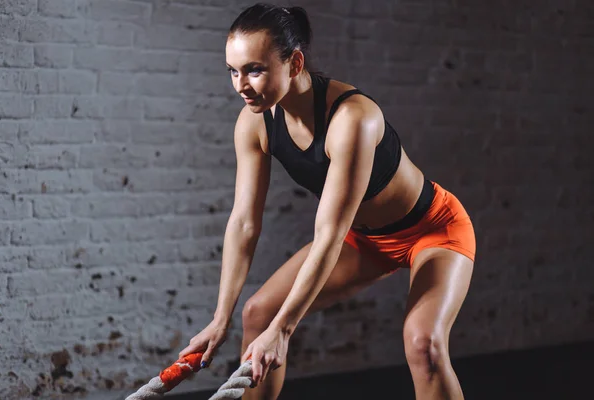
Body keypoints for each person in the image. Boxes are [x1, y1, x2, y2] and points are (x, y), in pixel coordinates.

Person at [178, 3, 476, 400]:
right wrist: (220, 318)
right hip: (365, 240)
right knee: (257, 314)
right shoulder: (254, 123)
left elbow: (329, 233)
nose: (240, 85)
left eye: (254, 69)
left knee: (423, 343)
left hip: (432, 229)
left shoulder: (353, 118)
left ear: (294, 63)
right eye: (233, 70)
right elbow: (244, 223)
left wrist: (283, 331)